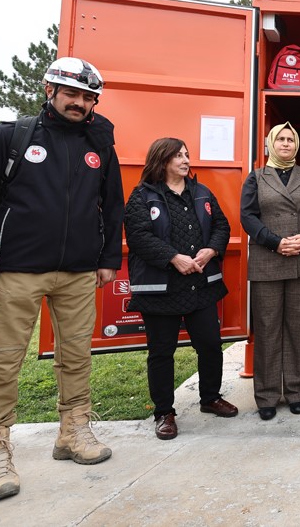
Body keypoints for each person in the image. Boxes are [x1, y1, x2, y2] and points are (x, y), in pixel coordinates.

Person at [0, 57, 123, 503]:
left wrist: (107, 257)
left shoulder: (99, 143)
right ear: (50, 90)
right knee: (2, 361)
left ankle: (73, 431)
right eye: (72, 93)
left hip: (77, 272)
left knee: (77, 355)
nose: (80, 103)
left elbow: (112, 204)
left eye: (89, 97)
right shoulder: (11, 137)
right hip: (14, 271)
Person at [124, 137, 237, 441]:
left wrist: (211, 251)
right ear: (161, 160)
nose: (186, 160)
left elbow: (222, 227)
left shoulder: (202, 192)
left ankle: (210, 398)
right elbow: (138, 237)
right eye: (179, 156)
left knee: (211, 345)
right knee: (162, 352)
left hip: (199, 285)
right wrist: (174, 258)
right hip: (161, 290)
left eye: (187, 155)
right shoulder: (142, 197)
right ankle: (164, 412)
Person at [240, 122, 300, 419]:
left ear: (296, 145)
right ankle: (267, 396)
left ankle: (297, 391)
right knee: (267, 329)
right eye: (281, 139)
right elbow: (247, 217)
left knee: (297, 330)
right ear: (271, 144)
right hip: (268, 260)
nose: (286, 144)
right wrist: (275, 242)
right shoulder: (256, 178)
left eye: (291, 139)